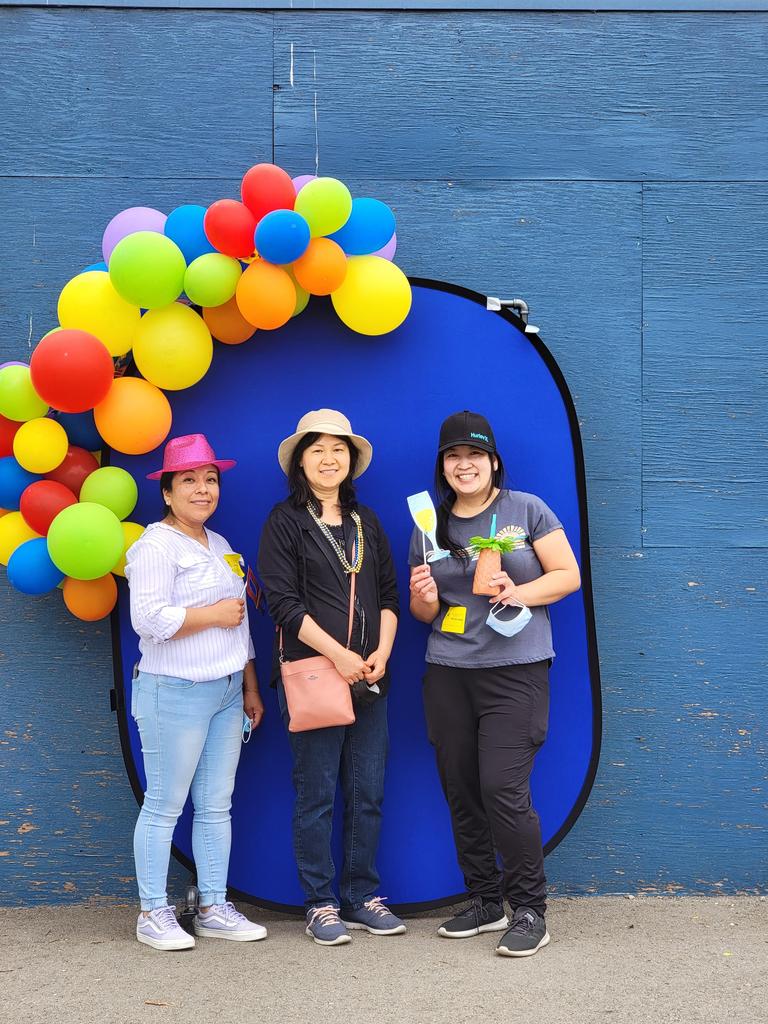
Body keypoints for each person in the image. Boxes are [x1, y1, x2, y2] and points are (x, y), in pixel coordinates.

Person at [409, 410, 581, 958]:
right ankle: (485, 901)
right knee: (461, 789)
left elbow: (568, 576)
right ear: (443, 465)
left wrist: (517, 592)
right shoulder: (429, 524)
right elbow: (424, 612)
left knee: (503, 791)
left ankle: (530, 909)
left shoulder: (526, 509)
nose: (465, 465)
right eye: (454, 456)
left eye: (475, 455)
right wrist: (423, 597)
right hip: (448, 671)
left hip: (516, 671)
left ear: (493, 462)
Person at [258, 409, 405, 946]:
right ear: (300, 462)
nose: (328, 458)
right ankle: (320, 904)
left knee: (368, 793)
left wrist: (381, 652)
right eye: (317, 449)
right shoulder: (285, 522)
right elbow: (283, 604)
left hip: (369, 677)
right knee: (316, 795)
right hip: (315, 675)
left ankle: (362, 896)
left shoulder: (368, 522)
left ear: (351, 460)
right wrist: (340, 655)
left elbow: (389, 596)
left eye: (338, 449)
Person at [125, 433, 266, 951]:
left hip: (227, 692)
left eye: (210, 480)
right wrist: (211, 615)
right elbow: (148, 620)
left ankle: (212, 907)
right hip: (175, 692)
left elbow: (241, 624)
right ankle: (152, 913)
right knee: (164, 804)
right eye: (189, 480)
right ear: (167, 492)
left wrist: (249, 688)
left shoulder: (220, 545)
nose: (203, 489)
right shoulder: (154, 546)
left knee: (214, 805)